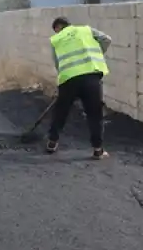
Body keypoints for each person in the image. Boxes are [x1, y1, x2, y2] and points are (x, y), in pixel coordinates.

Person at [47, 16, 112, 159]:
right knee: (95, 114)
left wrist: (63, 78)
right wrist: (96, 54)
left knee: (61, 112)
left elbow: (57, 63)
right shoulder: (86, 30)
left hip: (69, 79)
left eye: (56, 30)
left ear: (58, 27)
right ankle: (98, 150)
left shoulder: (56, 40)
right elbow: (107, 39)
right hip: (91, 77)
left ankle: (52, 142)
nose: (56, 33)